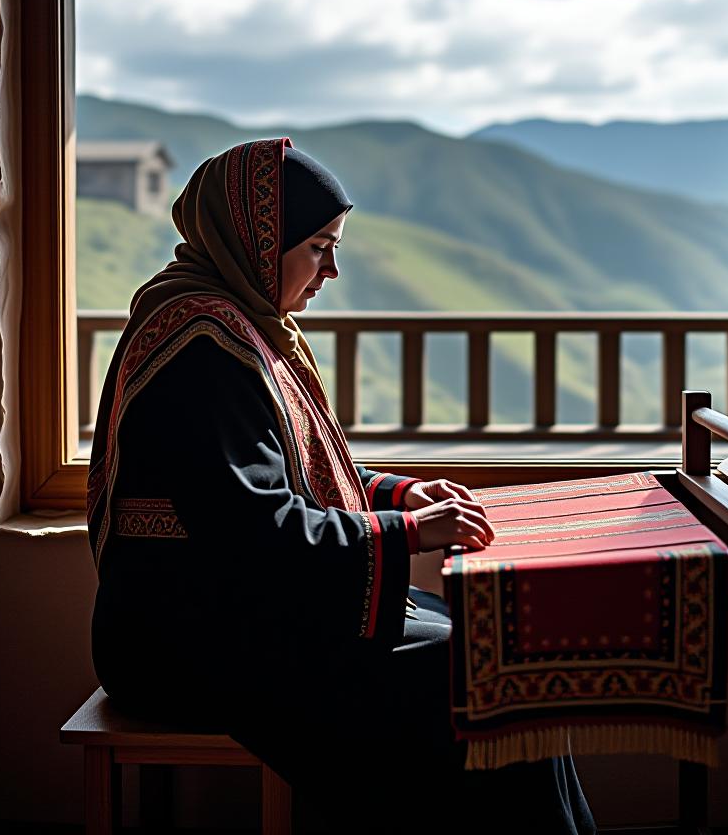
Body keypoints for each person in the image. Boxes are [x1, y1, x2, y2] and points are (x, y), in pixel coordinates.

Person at [87, 138, 596, 834]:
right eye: (319, 246)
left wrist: (393, 496)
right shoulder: (203, 344)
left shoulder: (228, 321)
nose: (332, 270)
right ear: (261, 240)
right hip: (184, 638)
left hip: (218, 611)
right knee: (475, 671)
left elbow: (281, 469)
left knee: (486, 644)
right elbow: (251, 529)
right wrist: (412, 533)